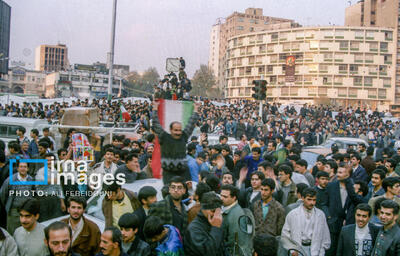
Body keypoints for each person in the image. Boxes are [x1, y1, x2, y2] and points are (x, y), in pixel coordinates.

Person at [151, 100, 200, 184]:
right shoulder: (164, 137)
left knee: (185, 193)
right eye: (175, 130)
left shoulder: (184, 136)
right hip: (168, 174)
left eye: (180, 130)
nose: (178, 132)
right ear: (170, 130)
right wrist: (155, 108)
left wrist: (196, 109)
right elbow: (156, 123)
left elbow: (191, 124)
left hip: (184, 173)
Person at [281, 188, 331, 256]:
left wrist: (322, 250)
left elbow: (325, 236)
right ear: (302, 198)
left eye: (314, 200)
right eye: (309, 199)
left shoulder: (320, 215)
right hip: (298, 248)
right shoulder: (292, 214)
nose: (312, 203)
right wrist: (292, 250)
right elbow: (285, 235)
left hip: (315, 249)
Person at [184, 192, 225, 256]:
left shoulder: (217, 221)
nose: (216, 215)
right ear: (203, 209)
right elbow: (208, 252)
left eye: (218, 211)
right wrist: (216, 228)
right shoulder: (194, 228)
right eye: (213, 211)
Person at [0, 161, 35, 235]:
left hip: (27, 211)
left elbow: (33, 193)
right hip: (14, 212)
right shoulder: (10, 180)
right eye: (21, 166)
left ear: (28, 169)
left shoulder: (31, 179)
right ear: (18, 168)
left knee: (26, 233)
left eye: (25, 167)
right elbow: (3, 194)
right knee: (13, 233)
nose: (23, 169)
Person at [221, 184, 254, 256]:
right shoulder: (227, 209)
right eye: (221, 195)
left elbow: (235, 242)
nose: (221, 198)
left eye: (225, 197)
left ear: (234, 198)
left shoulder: (236, 215)